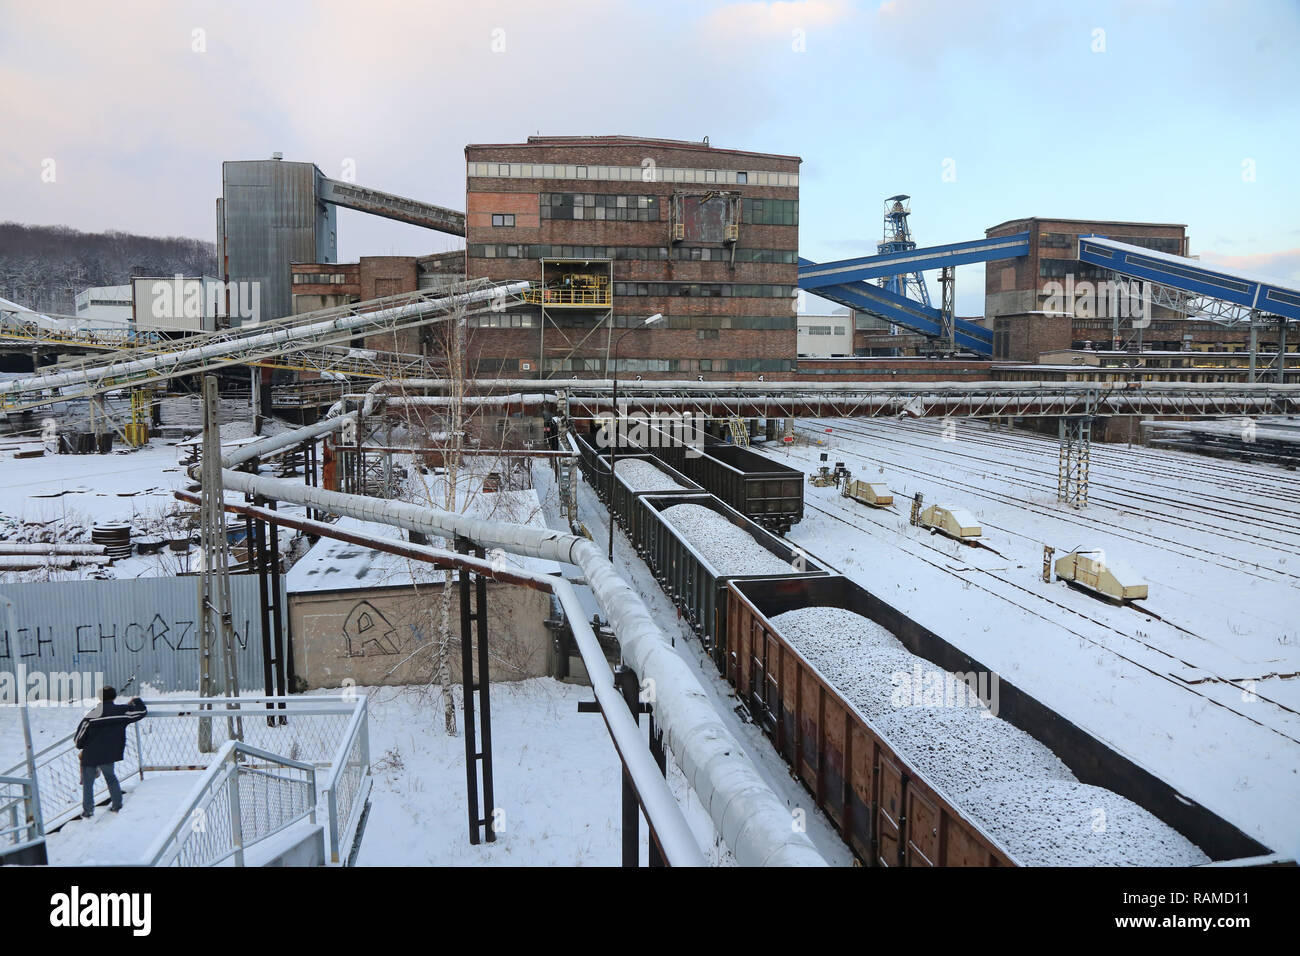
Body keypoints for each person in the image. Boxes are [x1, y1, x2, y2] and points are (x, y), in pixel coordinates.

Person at [73, 686, 147, 819]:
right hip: (108, 753)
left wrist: (81, 746)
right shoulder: (121, 711)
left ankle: (88, 811)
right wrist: (136, 701)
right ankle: (117, 805)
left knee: (88, 783)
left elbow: (79, 738)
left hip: (91, 754)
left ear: (100, 698)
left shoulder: (92, 714)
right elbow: (141, 712)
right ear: (114, 697)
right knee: (111, 778)